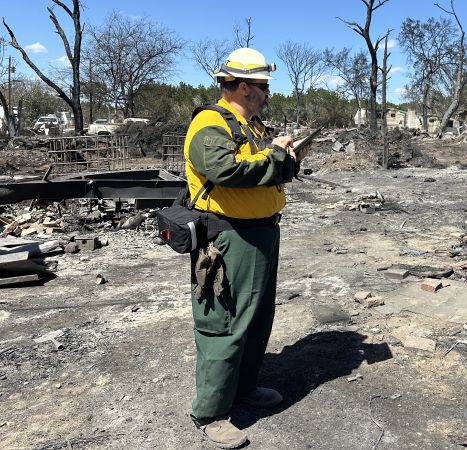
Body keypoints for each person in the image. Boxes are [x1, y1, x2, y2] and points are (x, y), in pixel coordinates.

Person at [183, 47, 308, 448]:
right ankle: (212, 412)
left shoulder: (248, 125)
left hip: (260, 233)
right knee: (224, 322)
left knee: (256, 319)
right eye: (261, 86)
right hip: (229, 237)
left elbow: (260, 169)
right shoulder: (210, 123)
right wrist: (275, 156)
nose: (267, 92)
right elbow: (226, 170)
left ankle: (245, 388)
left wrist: (287, 157)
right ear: (239, 87)